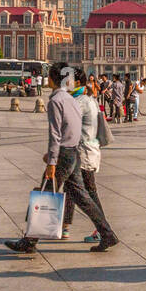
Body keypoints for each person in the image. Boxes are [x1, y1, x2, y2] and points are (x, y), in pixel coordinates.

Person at [5, 67, 119, 254]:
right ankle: (107, 234)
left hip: (63, 154)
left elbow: (55, 134)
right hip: (73, 152)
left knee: (45, 193)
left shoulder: (57, 100)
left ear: (52, 79)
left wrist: (52, 159)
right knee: (82, 197)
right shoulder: (72, 99)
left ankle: (29, 241)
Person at [63, 69, 108, 243]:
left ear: (76, 83)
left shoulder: (80, 102)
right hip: (85, 151)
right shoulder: (89, 99)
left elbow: (67, 128)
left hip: (83, 153)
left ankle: (103, 230)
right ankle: (64, 226)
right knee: (70, 189)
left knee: (89, 191)